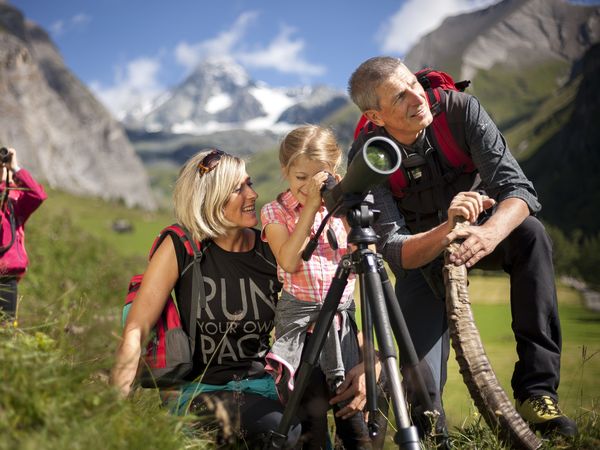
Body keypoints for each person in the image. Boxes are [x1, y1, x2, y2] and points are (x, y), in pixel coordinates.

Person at [346, 56, 577, 439]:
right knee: (423, 400)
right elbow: (395, 249)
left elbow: (517, 190)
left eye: (413, 85)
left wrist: (488, 235)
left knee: (531, 234)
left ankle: (536, 393)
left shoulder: (459, 110)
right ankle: (432, 429)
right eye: (400, 97)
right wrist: (447, 228)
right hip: (421, 257)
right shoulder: (368, 157)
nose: (417, 98)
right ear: (376, 116)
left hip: (481, 230)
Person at [110, 149, 302, 447]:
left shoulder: (270, 250)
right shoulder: (182, 245)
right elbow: (136, 329)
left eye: (249, 183)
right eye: (239, 189)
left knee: (299, 432)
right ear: (211, 198)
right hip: (199, 392)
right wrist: (114, 410)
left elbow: (319, 304)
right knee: (278, 432)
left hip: (264, 390)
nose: (253, 194)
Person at [261, 125, 385, 449]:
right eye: (300, 177)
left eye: (318, 177)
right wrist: (312, 208)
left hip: (342, 330)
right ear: (284, 171)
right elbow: (288, 260)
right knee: (310, 433)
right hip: (301, 336)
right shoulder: (275, 212)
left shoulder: (342, 209)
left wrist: (343, 207)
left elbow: (367, 262)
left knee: (355, 425)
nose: (307, 186)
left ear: (334, 170)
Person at [0, 147, 47, 326]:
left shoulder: (16, 202)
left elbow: (38, 195)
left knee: (5, 333)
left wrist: (15, 168)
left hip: (6, 277)